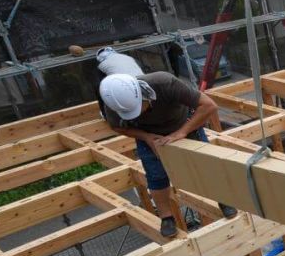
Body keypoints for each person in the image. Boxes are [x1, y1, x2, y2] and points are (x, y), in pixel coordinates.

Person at [98, 72, 237, 237]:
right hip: (150, 136)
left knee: (206, 165)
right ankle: (167, 217)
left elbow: (209, 106)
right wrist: (146, 137)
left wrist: (181, 133)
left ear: (144, 94)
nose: (138, 115)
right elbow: (117, 127)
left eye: (138, 109)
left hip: (185, 124)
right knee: (156, 176)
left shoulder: (165, 84)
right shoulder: (115, 102)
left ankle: (224, 199)